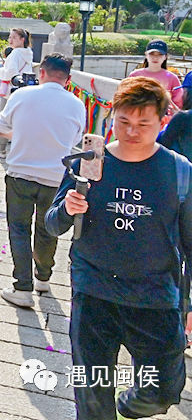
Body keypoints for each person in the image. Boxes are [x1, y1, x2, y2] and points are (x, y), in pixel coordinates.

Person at [46, 77, 192, 420]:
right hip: (94, 291)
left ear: (162, 122)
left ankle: (130, 407)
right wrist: (67, 208)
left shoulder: (180, 172)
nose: (132, 131)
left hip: (155, 297)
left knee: (164, 390)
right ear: (111, 118)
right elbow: (52, 224)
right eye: (124, 121)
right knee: (93, 395)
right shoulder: (88, 163)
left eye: (144, 124)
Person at [0, 54, 85, 308]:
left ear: (41, 73)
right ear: (68, 80)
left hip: (20, 172)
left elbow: (2, 128)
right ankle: (43, 277)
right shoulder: (77, 104)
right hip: (56, 176)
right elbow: (75, 139)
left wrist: (21, 134)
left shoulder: (22, 95)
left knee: (19, 229)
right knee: (48, 227)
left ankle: (22, 287)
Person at [0, 28, 34, 158]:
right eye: (10, 37)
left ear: (22, 39)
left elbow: (10, 73)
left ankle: (1, 148)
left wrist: (0, 71)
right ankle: (17, 149)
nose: (10, 40)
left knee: (4, 119)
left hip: (11, 90)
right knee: (19, 121)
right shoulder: (28, 53)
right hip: (24, 90)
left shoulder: (15, 54)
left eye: (13, 37)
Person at [128, 39, 182, 108]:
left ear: (165, 56)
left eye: (160, 54)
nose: (155, 58)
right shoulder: (135, 75)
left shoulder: (172, 78)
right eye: (152, 54)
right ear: (146, 55)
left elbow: (179, 104)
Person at [159, 72, 192, 160]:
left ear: (187, 93)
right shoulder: (183, 117)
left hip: (184, 170)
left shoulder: (182, 118)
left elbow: (162, 143)